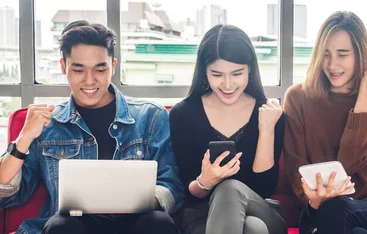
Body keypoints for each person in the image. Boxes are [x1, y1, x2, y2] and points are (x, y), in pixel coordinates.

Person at [0, 20, 183, 234]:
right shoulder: (48, 124)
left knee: (157, 223)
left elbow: (171, 185)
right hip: (71, 226)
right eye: (78, 70)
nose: (89, 81)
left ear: (113, 67)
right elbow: (8, 195)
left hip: (135, 224)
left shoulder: (150, 117)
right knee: (61, 226)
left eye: (99, 69)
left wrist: (132, 201)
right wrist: (23, 139)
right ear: (63, 67)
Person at [283, 11, 367, 234]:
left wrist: (364, 97)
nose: (332, 64)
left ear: (359, 55)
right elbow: (295, 164)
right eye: (326, 54)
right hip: (321, 208)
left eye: (342, 54)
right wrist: (312, 200)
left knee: (337, 208)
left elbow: (349, 162)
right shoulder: (297, 98)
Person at [169, 24, 287, 234]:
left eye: (237, 73)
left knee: (230, 190)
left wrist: (266, 129)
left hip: (262, 211)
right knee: (253, 229)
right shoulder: (183, 114)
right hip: (202, 217)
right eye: (217, 74)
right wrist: (204, 182)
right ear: (205, 71)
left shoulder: (269, 113)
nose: (228, 84)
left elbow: (263, 188)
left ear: (250, 69)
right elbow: (188, 192)